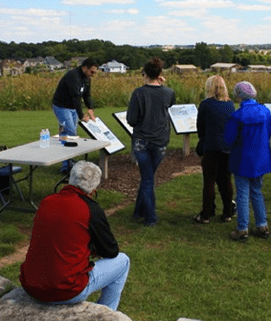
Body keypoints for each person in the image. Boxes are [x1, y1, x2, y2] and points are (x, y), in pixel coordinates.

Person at [19, 161, 130, 311]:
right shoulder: (91, 209)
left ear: (70, 179)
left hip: (31, 285)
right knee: (123, 262)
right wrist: (92, 249)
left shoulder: (47, 201)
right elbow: (111, 251)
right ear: (93, 189)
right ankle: (107, 313)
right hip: (67, 290)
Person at [127, 57, 176, 226]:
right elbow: (170, 103)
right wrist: (163, 84)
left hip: (142, 140)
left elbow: (131, 120)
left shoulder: (138, 93)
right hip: (161, 141)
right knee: (148, 177)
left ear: (145, 74)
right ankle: (139, 211)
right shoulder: (168, 92)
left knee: (147, 178)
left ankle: (149, 217)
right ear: (160, 74)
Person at [224, 81, 271, 241]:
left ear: (238, 96)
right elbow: (268, 134)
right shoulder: (265, 112)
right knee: (257, 191)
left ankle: (242, 228)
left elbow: (229, 139)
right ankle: (262, 225)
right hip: (260, 158)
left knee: (242, 194)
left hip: (242, 158)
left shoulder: (237, 116)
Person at [194, 76, 236, 224]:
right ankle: (228, 212)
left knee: (209, 181)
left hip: (211, 147)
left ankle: (206, 213)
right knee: (226, 181)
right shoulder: (230, 105)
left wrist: (203, 142)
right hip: (227, 147)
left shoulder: (206, 104)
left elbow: (201, 127)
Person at [52, 58, 99, 173]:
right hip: (62, 106)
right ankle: (65, 166)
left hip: (72, 108)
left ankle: (67, 162)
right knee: (71, 132)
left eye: (95, 72)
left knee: (70, 134)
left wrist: (91, 109)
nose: (93, 74)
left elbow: (86, 95)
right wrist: (82, 115)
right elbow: (76, 97)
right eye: (92, 72)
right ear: (85, 68)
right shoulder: (73, 76)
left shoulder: (86, 78)